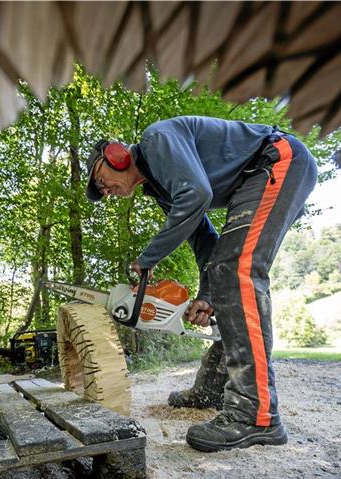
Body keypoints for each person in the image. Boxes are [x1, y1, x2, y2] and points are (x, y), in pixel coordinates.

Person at [84, 116, 317, 452]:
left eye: (100, 180)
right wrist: (207, 295)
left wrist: (147, 258)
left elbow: (196, 195)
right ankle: (213, 386)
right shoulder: (160, 187)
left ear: (116, 156)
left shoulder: (157, 140)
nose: (104, 191)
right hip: (258, 174)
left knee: (237, 269)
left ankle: (256, 413)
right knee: (225, 267)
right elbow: (205, 241)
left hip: (277, 160)